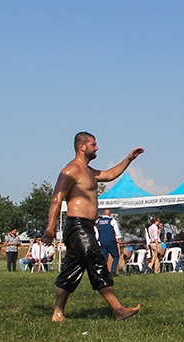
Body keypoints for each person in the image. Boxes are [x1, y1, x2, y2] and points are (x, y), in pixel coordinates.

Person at [44, 132, 142, 322]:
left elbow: (110, 174)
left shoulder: (88, 171)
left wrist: (129, 159)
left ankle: (57, 313)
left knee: (71, 269)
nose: (97, 148)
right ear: (82, 147)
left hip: (86, 226)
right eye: (93, 144)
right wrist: (50, 227)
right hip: (77, 225)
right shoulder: (71, 170)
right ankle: (118, 310)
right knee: (96, 261)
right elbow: (57, 198)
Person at [96, 208, 122, 276]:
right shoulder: (112, 220)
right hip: (111, 241)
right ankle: (113, 271)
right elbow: (116, 230)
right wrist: (118, 237)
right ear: (110, 214)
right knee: (116, 256)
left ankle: (103, 272)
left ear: (104, 214)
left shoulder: (99, 221)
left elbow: (97, 232)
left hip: (102, 241)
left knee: (104, 257)